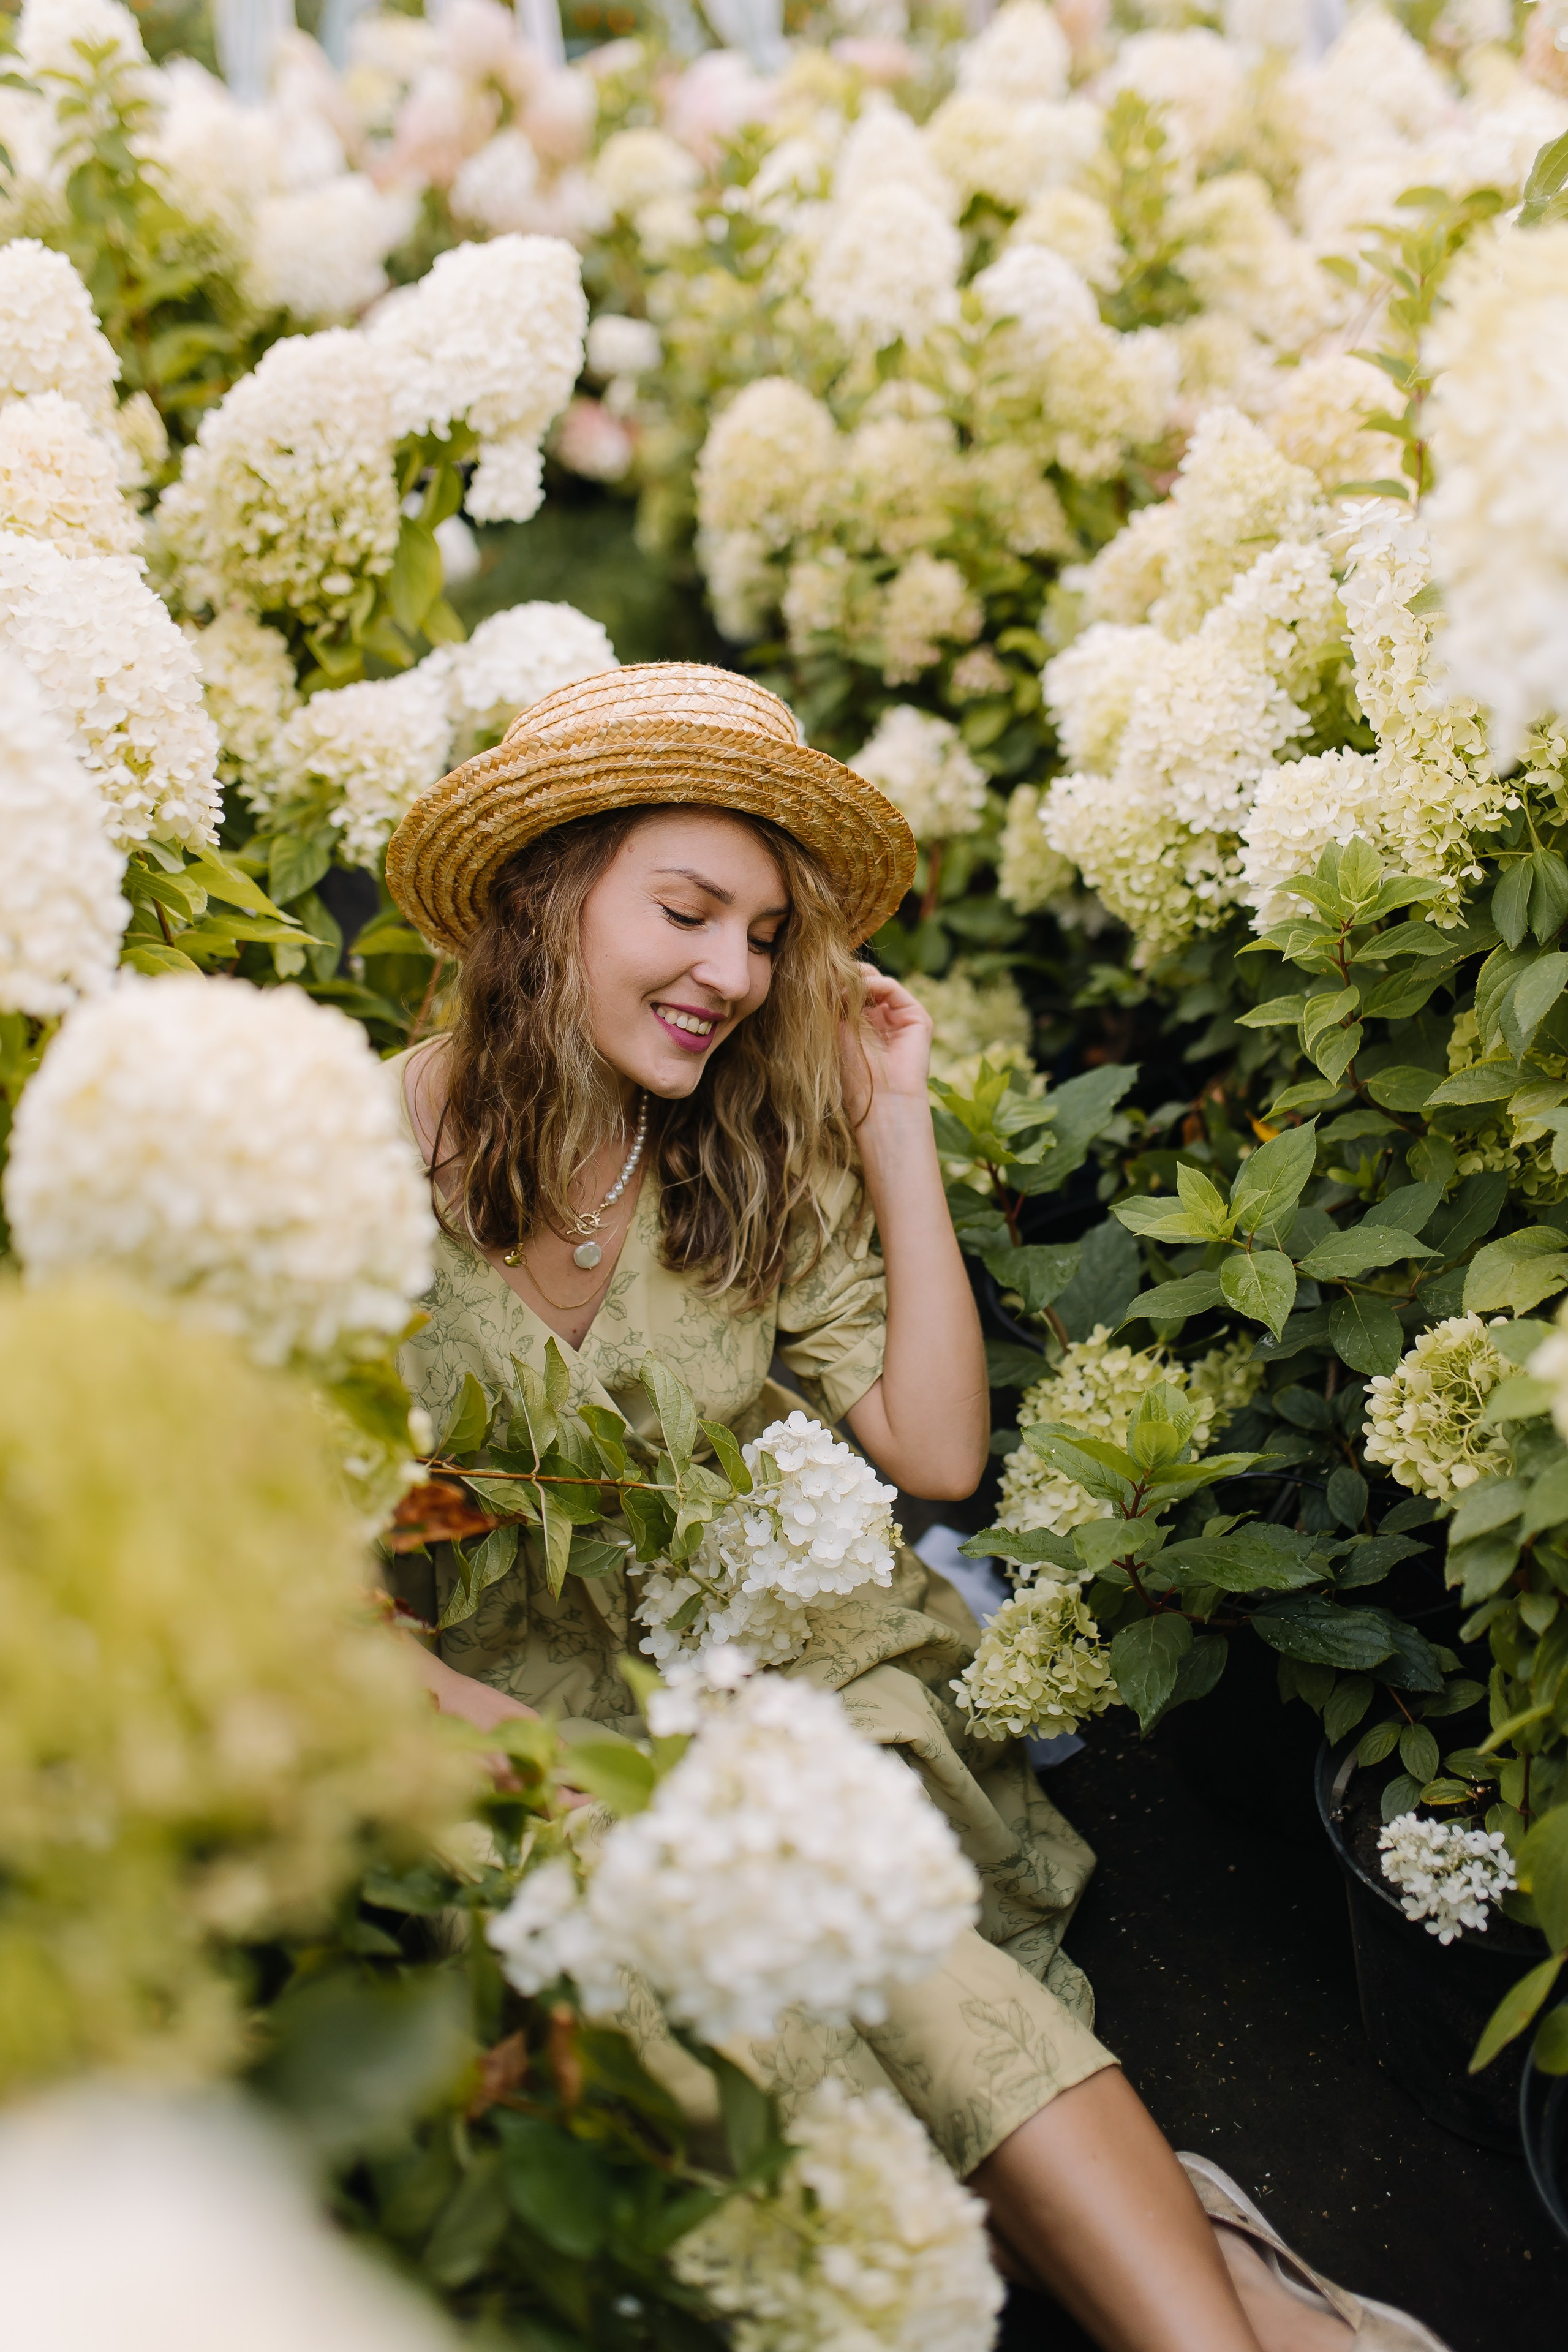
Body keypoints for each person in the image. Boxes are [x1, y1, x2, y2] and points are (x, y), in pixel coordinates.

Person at [383, 663, 1442, 2352]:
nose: (733, 974)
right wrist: (601, 1784)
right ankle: (1196, 2265)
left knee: (881, 1941)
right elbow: (337, 1627)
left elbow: (938, 1456)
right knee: (740, 1989)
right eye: (688, 910)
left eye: (768, 935)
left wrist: (892, 1128)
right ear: (544, 890)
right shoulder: (352, 1171)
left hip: (759, 1671)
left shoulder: (733, 1149)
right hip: (495, 1727)